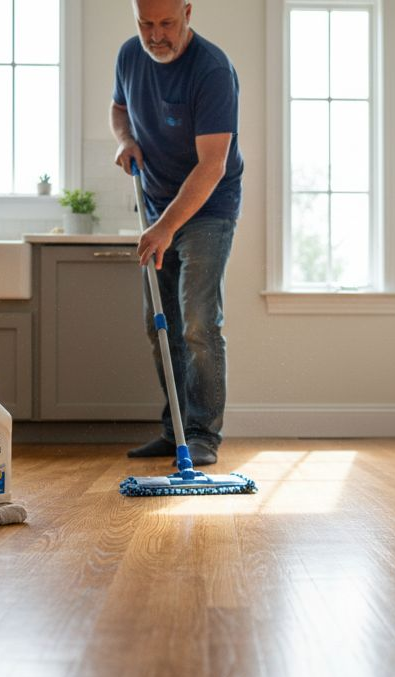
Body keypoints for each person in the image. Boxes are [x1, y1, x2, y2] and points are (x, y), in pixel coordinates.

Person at [111, 0, 244, 467]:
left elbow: (213, 165)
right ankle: (175, 431)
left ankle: (204, 435)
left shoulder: (211, 70)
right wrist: (126, 140)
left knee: (197, 325)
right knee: (159, 326)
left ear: (188, 12)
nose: (156, 35)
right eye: (145, 23)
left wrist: (166, 226)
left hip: (207, 209)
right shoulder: (130, 55)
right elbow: (119, 108)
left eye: (166, 23)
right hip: (156, 207)